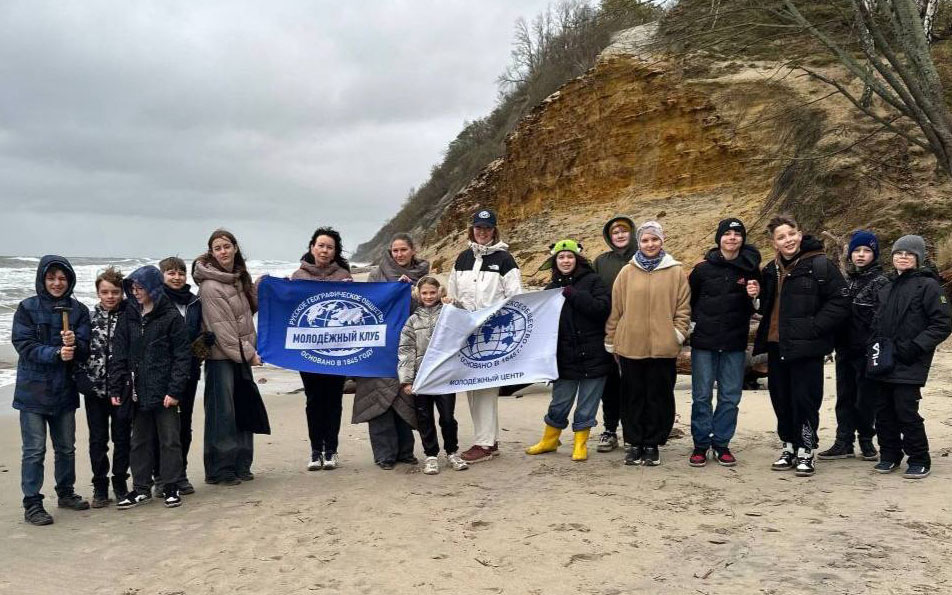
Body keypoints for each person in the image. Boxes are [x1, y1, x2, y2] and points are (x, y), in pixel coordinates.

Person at [753, 215, 849, 477]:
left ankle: (807, 449)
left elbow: (841, 301)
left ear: (800, 233)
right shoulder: (770, 269)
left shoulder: (820, 265)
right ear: (774, 243)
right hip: (777, 345)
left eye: (791, 234)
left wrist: (815, 327)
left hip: (808, 348)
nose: (788, 240)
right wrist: (754, 295)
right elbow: (765, 304)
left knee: (805, 401)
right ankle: (789, 446)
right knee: (781, 399)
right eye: (781, 237)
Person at [12, 255, 92, 525]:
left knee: (66, 447)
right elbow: (24, 346)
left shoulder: (78, 310)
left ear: (69, 280)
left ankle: (66, 493)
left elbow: (85, 348)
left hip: (64, 391)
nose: (57, 283)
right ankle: (32, 502)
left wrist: (75, 343)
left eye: (62, 278)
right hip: (32, 391)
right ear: (42, 279)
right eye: (51, 278)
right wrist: (57, 352)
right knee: (34, 449)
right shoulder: (27, 308)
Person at [604, 221, 691, 467]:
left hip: (664, 348)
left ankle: (652, 443)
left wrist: (677, 335)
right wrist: (611, 339)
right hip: (630, 345)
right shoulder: (627, 272)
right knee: (632, 396)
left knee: (658, 396)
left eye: (654, 239)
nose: (650, 244)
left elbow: (683, 309)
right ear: (638, 243)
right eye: (645, 240)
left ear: (662, 241)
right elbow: (616, 309)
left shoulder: (676, 272)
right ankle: (634, 442)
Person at [868, 235, 951, 479]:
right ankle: (890, 455)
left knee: (906, 410)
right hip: (883, 358)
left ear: (918, 258)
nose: (903, 257)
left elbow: (942, 324)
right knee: (883, 410)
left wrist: (915, 347)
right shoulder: (886, 285)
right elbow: (876, 321)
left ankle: (919, 458)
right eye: (898, 253)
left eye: (909, 254)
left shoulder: (929, 286)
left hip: (910, 360)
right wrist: (873, 346)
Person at [447, 209, 523, 463]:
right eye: (478, 228)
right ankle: (489, 439)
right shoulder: (462, 258)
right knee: (473, 388)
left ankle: (485, 443)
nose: (482, 232)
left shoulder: (505, 259)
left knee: (486, 388)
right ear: (472, 229)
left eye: (487, 228)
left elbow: (515, 297)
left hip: (493, 333)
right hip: (467, 333)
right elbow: (453, 295)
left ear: (494, 230)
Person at [112, 266, 190, 509]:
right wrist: (117, 387)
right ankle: (141, 488)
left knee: (170, 440)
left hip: (165, 390)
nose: (135, 293)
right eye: (133, 288)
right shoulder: (129, 315)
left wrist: (175, 391)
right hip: (137, 390)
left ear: (153, 288)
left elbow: (182, 356)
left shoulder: (171, 317)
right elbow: (119, 353)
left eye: (140, 288)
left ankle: (170, 486)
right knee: (140, 441)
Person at [526, 239, 611, 461]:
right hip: (564, 355)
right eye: (561, 257)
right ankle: (550, 439)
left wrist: (574, 294)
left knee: (588, 401)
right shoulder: (551, 288)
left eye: (570, 256)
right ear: (555, 261)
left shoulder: (593, 281)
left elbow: (602, 309)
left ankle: (580, 443)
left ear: (577, 259)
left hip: (594, 352)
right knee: (560, 400)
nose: (566, 260)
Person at [687, 218, 761, 467]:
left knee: (730, 396)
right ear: (719, 238)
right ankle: (700, 444)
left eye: (737, 234)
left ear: (743, 239)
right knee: (701, 396)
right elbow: (689, 303)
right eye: (727, 233)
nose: (732, 238)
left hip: (735, 342)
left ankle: (721, 444)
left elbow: (759, 305)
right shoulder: (702, 270)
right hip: (704, 343)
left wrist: (756, 296)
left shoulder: (750, 270)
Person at [354, 233, 429, 469]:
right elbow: (367, 306)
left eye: (403, 250)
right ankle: (384, 454)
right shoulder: (377, 274)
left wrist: (412, 294)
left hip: (409, 344)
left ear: (413, 250)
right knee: (379, 398)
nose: (399, 255)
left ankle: (405, 451)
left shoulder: (423, 276)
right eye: (395, 251)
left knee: (405, 397)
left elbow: (428, 305)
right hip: (379, 346)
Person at [193, 229, 260, 485]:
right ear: (211, 252)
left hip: (241, 355)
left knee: (244, 409)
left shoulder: (237, 278)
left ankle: (242, 464)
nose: (223, 251)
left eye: (227, 246)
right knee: (223, 414)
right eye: (217, 248)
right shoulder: (210, 286)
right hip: (222, 358)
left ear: (235, 248)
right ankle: (220, 469)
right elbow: (222, 329)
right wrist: (250, 355)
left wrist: (258, 286)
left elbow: (250, 312)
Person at [817, 231, 889, 462]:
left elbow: (883, 318)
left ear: (874, 254)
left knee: (865, 398)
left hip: (868, 350)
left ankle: (866, 440)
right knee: (844, 395)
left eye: (866, 251)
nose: (860, 255)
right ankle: (843, 441)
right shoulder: (845, 280)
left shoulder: (881, 281)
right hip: (844, 348)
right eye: (857, 251)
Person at [290, 227, 353, 471]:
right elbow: (289, 310)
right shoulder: (298, 276)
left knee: (334, 400)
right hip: (308, 351)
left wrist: (351, 289)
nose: (325, 250)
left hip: (336, 351)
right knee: (314, 400)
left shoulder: (343, 276)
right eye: (321, 245)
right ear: (312, 247)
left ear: (335, 251)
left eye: (330, 247)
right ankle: (315, 450)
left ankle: (332, 450)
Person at [397, 276, 469, 474]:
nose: (428, 296)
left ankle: (452, 452)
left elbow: (469, 321)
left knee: (447, 417)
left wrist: (455, 304)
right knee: (424, 417)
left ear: (440, 292)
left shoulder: (449, 313)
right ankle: (430, 455)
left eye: (432, 292)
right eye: (424, 293)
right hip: (422, 378)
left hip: (444, 376)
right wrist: (407, 380)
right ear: (418, 295)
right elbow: (406, 350)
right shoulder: (412, 321)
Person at [74, 266, 132, 507]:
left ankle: (120, 483)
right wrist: (82, 380)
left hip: (122, 390)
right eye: (105, 292)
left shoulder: (130, 316)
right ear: (98, 293)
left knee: (122, 438)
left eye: (115, 292)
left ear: (121, 293)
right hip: (95, 391)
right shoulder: (87, 318)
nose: (110, 297)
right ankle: (100, 487)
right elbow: (78, 351)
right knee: (98, 440)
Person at [159, 256, 204, 494]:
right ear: (162, 276)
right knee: (163, 426)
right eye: (171, 273)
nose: (176, 277)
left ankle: (180, 473)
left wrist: (202, 346)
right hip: (161, 373)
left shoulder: (195, 302)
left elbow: (198, 335)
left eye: (180, 273)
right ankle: (161, 475)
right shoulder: (156, 300)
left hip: (189, 371)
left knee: (184, 425)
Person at [592, 216, 636, 452]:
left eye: (623, 231)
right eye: (614, 232)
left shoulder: (643, 258)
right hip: (608, 330)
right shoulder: (601, 262)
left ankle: (632, 431)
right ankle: (610, 429)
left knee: (634, 384)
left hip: (638, 332)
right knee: (610, 385)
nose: (619, 235)